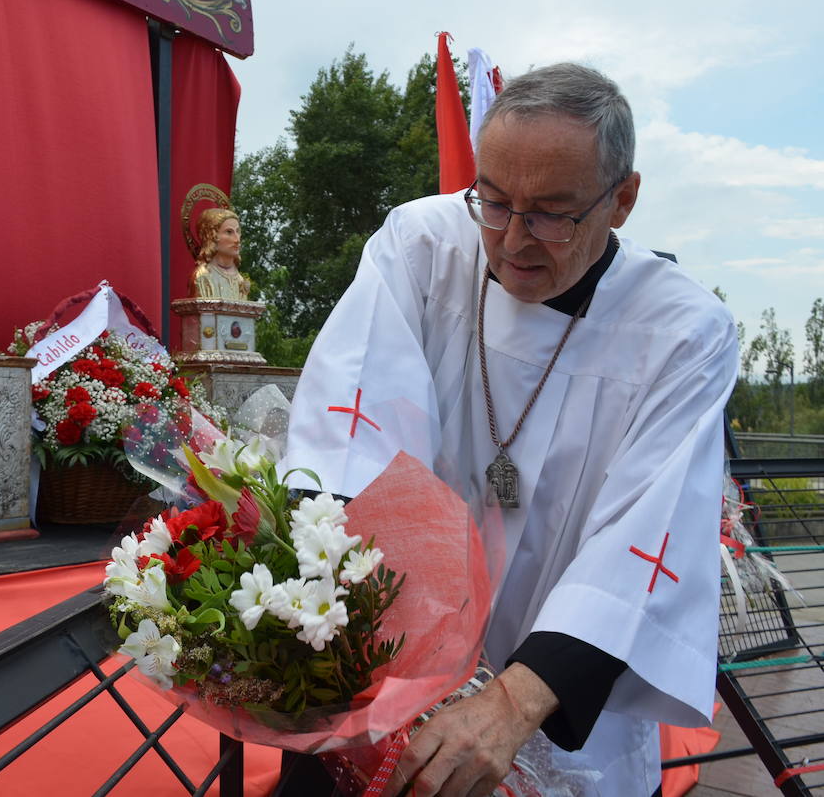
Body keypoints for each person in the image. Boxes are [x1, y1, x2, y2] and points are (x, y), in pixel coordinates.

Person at [282, 63, 737, 796]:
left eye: (553, 213)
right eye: (493, 201)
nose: (514, 239)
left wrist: (512, 701)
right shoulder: (423, 247)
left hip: (559, 707)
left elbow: (647, 539)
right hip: (388, 669)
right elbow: (349, 429)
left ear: (622, 199)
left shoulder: (682, 331)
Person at [189, 208, 251, 300]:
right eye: (229, 232)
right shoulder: (203, 277)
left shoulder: (239, 280)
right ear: (211, 236)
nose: (237, 240)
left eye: (238, 231)